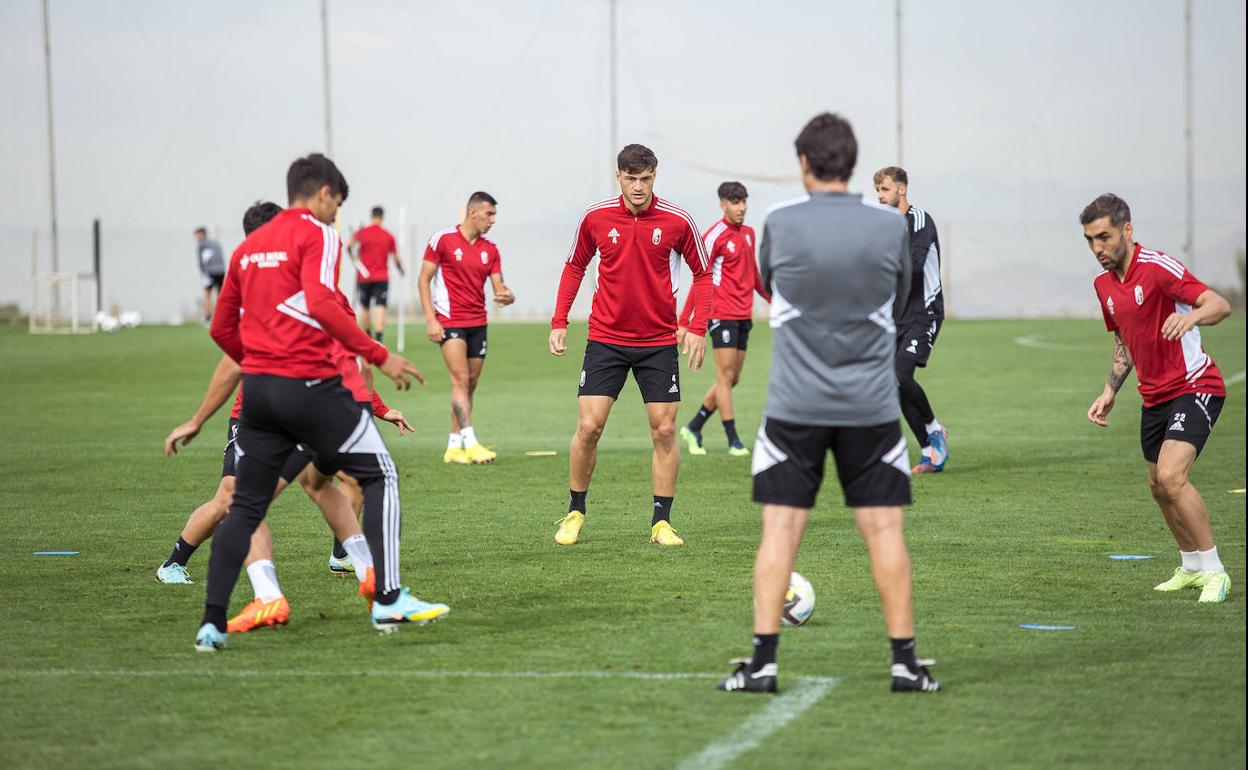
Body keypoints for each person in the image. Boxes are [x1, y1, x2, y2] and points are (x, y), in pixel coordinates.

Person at [719, 113, 939, 695]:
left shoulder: (781, 222)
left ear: (804, 164)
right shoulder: (889, 227)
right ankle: (905, 665)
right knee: (885, 532)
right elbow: (896, 299)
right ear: (854, 162)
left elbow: (773, 282)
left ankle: (762, 666)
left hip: (795, 404)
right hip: (869, 405)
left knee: (779, 534)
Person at [198, 153, 447, 652]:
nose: (337, 215)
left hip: (259, 396)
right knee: (380, 474)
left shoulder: (246, 251)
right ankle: (389, 598)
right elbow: (319, 302)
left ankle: (211, 624)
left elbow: (221, 327)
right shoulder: (317, 234)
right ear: (323, 195)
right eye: (337, 203)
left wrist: (260, 359)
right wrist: (379, 354)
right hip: (307, 387)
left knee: (246, 505)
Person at [159, 202, 413, 633]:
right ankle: (183, 563)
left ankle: (365, 571)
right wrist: (200, 417)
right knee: (235, 500)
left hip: (305, 411)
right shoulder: (265, 289)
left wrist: (377, 407)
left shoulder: (323, 294)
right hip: (258, 417)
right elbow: (233, 359)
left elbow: (349, 363)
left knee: (322, 482)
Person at [549, 144, 712, 547]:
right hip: (606, 338)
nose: (638, 187)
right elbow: (574, 266)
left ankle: (662, 522)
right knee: (589, 427)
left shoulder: (678, 220)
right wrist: (559, 321)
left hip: (658, 342)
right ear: (618, 176)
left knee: (664, 431)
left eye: (645, 178)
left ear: (654, 176)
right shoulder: (595, 217)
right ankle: (575, 511)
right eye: (631, 178)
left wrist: (698, 325)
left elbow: (703, 274)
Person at [1083, 193, 1232, 603]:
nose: (1097, 248)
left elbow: (1219, 304)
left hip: (1195, 386)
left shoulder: (1159, 268)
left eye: (1104, 237)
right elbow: (1125, 340)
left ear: (1127, 230)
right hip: (1154, 398)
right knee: (1157, 486)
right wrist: (1110, 390)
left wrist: (1191, 316)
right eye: (1090, 240)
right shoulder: (1104, 285)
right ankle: (1191, 567)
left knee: (1171, 476)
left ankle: (1216, 572)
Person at [418, 192, 515, 465]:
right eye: (489, 214)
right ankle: (471, 442)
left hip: (478, 322)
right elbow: (423, 280)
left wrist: (508, 296)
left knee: (469, 384)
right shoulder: (443, 240)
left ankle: (453, 445)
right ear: (472, 213)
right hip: (450, 321)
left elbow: (499, 287)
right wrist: (430, 319)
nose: (492, 220)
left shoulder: (491, 249)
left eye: (494, 215)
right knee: (460, 379)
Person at [677, 181, 770, 457]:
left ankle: (694, 427)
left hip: (743, 315)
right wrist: (684, 321)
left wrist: (773, 299)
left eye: (743, 202)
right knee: (724, 377)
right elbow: (700, 279)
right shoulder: (714, 235)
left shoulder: (750, 233)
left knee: (732, 379)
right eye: (735, 202)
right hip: (721, 314)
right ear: (723, 204)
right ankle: (733, 440)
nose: (741, 208)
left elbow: (752, 274)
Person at [873, 167, 948, 473]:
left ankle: (934, 428)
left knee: (901, 376)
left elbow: (915, 266)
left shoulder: (918, 219)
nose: (880, 196)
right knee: (896, 383)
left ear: (902, 190)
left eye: (885, 189)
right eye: (877, 190)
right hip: (896, 315)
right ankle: (929, 452)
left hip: (923, 311)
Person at [347, 206, 403, 342]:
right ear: (382, 217)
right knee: (380, 306)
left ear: (371, 216)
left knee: (365, 307)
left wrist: (355, 260)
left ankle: (367, 335)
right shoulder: (388, 235)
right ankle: (378, 337)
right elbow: (396, 258)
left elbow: (348, 245)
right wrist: (401, 269)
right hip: (382, 277)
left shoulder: (362, 232)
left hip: (364, 276)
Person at [194, 227, 226, 324]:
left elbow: (201, 260)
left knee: (207, 294)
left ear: (202, 234)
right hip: (221, 271)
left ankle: (208, 318)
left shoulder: (201, 244)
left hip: (210, 272)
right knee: (220, 295)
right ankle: (221, 317)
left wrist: (203, 271)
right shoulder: (216, 243)